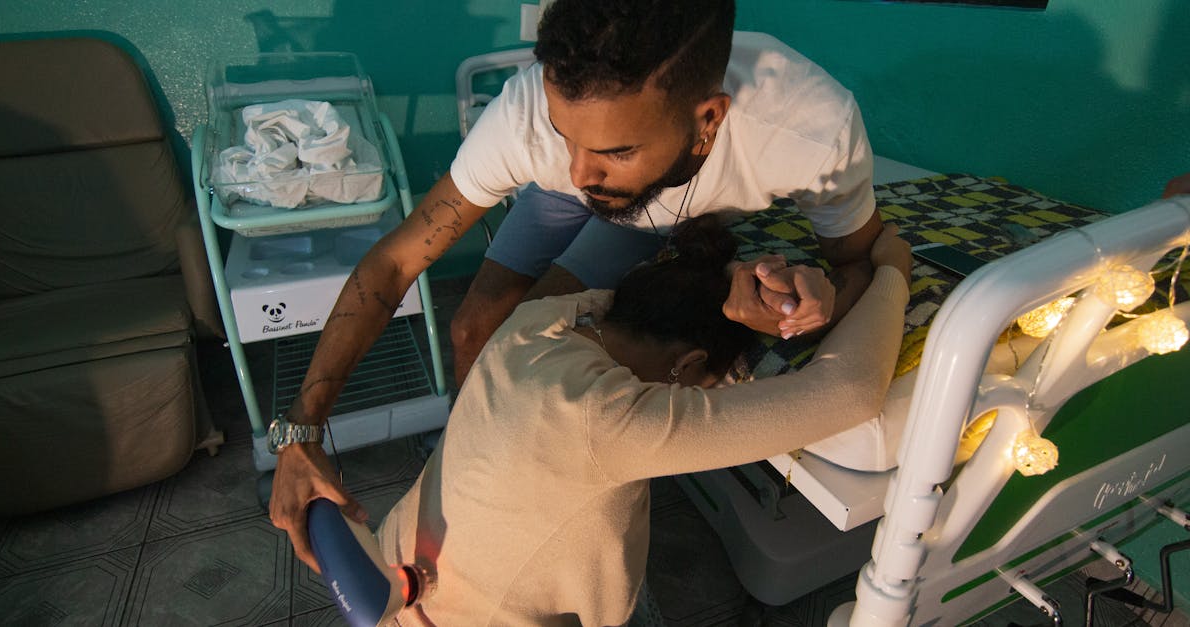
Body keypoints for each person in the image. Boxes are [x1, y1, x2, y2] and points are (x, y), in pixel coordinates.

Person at [270, 0, 882, 576]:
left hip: (669, 217)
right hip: (567, 205)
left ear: (708, 119)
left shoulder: (809, 129)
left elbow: (858, 263)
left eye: (615, 149)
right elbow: (394, 264)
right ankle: (471, 466)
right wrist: (301, 429)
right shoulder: (528, 121)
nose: (579, 171)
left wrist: (816, 298)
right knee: (472, 329)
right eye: (565, 135)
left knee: (545, 336)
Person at [366, 215, 911, 624]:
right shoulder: (614, 423)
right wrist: (893, 272)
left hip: (393, 560)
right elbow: (851, 392)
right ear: (690, 365)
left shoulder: (544, 319)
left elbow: (623, 298)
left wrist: (721, 280)